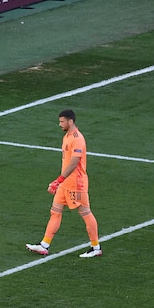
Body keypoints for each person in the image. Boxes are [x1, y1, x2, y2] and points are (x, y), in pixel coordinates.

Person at [26, 109, 102, 258]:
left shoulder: (77, 138)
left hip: (76, 183)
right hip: (65, 183)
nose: (59, 124)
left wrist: (58, 180)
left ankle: (95, 247)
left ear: (70, 121)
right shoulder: (66, 137)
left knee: (85, 213)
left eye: (62, 121)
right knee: (55, 211)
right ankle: (44, 245)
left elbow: (74, 163)